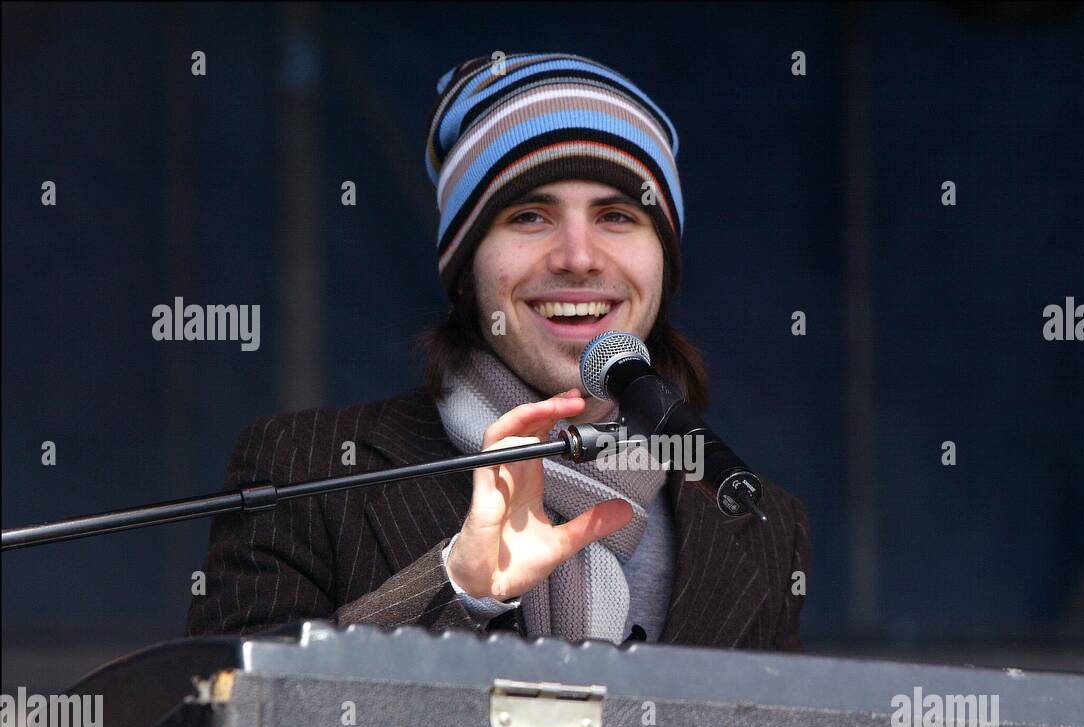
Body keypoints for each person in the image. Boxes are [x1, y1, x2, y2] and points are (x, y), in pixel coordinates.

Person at [186, 52, 810, 650]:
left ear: (664, 265)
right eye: (530, 216)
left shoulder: (762, 527)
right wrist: (458, 589)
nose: (578, 256)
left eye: (617, 216)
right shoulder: (304, 470)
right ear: (465, 271)